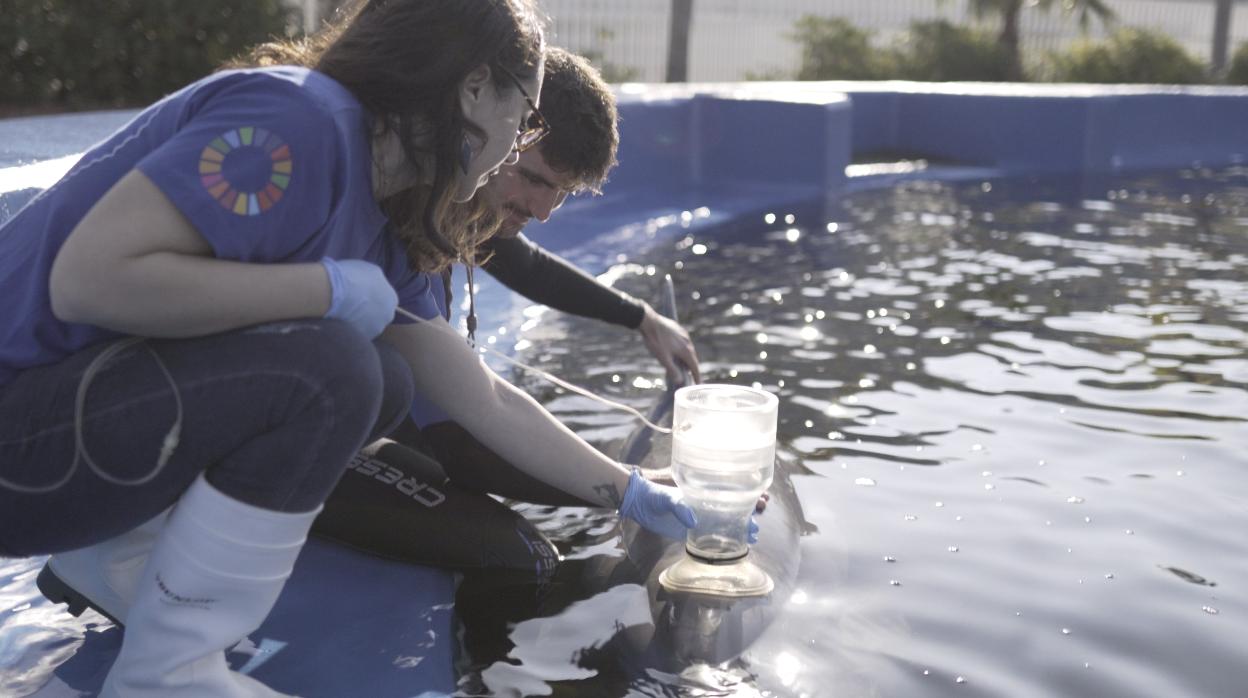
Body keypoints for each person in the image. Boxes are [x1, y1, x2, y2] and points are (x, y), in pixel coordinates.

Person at [0, 2, 695, 697]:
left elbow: (478, 395)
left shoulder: (387, 208)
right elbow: (88, 281)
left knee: (381, 380)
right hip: (18, 443)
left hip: (65, 441)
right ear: (474, 86)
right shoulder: (296, 120)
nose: (520, 140)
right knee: (335, 371)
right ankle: (169, 675)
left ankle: (121, 563)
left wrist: (629, 490)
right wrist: (322, 289)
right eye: (528, 114)